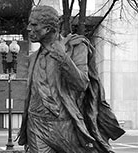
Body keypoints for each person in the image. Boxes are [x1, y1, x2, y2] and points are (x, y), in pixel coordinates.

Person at [16, 5, 125, 153]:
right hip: (36, 126)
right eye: (29, 23)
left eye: (34, 24)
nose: (28, 28)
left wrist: (63, 58)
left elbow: (82, 84)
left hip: (66, 125)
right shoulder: (32, 58)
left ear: (48, 28)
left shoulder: (76, 47)